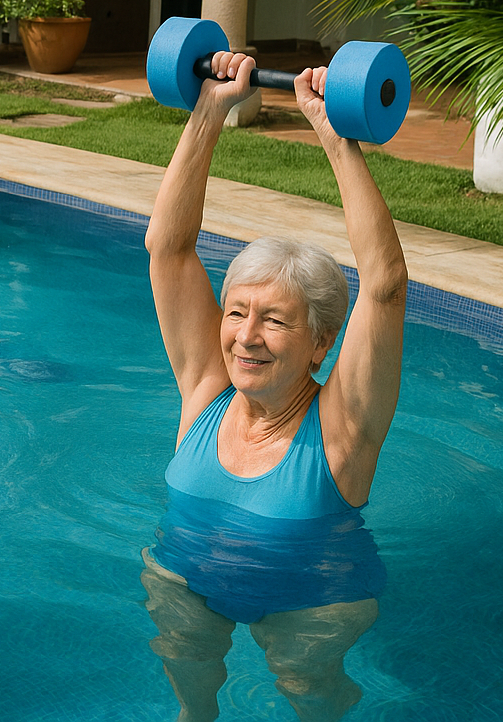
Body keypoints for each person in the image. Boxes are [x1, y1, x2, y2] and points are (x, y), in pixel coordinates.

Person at [142, 51, 407, 722]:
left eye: (276, 321)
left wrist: (333, 135)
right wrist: (208, 111)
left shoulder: (343, 428)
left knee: (304, 691)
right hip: (188, 583)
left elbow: (385, 283)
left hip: (314, 602)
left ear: (322, 342)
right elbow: (168, 250)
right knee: (188, 689)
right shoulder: (206, 389)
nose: (246, 336)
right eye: (236, 313)